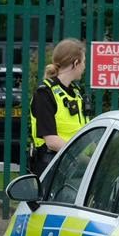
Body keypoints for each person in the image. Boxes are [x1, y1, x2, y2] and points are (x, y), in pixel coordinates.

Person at [28, 39, 88, 176]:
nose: (84, 67)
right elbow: (52, 142)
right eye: (83, 62)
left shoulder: (76, 93)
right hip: (52, 170)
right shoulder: (44, 94)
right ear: (75, 63)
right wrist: (81, 158)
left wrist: (92, 161)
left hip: (73, 167)